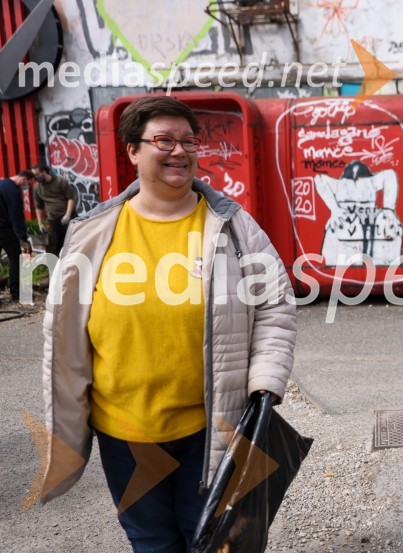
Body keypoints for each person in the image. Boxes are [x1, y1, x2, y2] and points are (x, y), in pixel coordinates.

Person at [38, 96, 297, 553]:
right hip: (126, 436)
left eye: (188, 141)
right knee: (152, 543)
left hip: (212, 429)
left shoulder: (234, 227)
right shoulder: (92, 232)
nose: (179, 151)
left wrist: (265, 383)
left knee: (217, 543)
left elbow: (275, 305)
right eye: (163, 140)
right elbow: (61, 329)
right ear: (133, 151)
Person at [0, 170, 35, 303]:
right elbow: (16, 216)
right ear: (24, 179)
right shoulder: (13, 191)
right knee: (15, 259)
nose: (26, 187)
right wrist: (23, 238)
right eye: (28, 184)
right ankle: (15, 293)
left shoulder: (2, 184)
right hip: (4, 230)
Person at [32, 163, 77, 253]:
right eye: (34, 175)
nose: (36, 177)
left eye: (37, 174)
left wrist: (68, 215)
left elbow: (71, 198)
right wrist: (40, 223)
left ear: (44, 172)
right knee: (59, 243)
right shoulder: (37, 187)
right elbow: (39, 207)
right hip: (53, 219)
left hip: (68, 216)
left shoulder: (60, 181)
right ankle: (61, 264)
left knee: (74, 240)